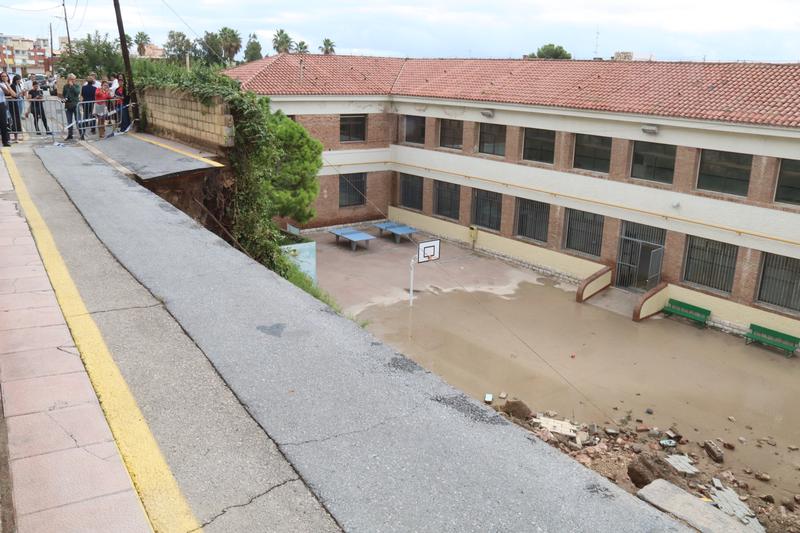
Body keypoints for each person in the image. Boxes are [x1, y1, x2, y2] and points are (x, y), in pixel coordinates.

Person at [62, 74, 81, 141]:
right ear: (68, 79)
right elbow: (64, 95)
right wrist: (64, 99)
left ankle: (81, 134)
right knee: (69, 121)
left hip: (75, 105)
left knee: (78, 120)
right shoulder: (65, 86)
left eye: (73, 79)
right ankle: (70, 135)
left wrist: (72, 86)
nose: (73, 80)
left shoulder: (77, 86)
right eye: (71, 79)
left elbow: (77, 92)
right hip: (68, 106)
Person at [9, 75, 24, 142]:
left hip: (20, 102)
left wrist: (22, 93)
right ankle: (15, 136)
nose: (19, 81)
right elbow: (15, 95)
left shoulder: (19, 85)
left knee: (18, 118)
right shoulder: (12, 85)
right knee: (15, 119)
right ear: (15, 80)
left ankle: (17, 136)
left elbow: (19, 95)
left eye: (20, 79)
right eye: (18, 79)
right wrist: (20, 93)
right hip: (14, 103)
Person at [0, 73, 10, 147]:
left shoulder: (2, 84)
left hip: (1, 104)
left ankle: (5, 141)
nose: (3, 77)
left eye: (4, 76)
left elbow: (7, 92)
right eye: (2, 76)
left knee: (3, 123)